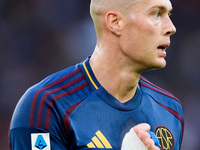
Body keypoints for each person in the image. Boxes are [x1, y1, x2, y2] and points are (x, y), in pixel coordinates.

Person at [9, 0, 184, 149]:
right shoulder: (47, 105)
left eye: (169, 14)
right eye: (156, 14)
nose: (171, 27)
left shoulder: (170, 110)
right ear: (115, 22)